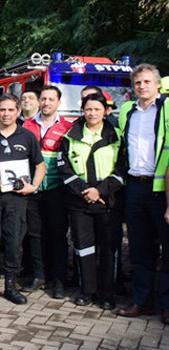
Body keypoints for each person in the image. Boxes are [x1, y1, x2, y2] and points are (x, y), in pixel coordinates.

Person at [0, 94, 45, 305]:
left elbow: (40, 166)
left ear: (18, 112)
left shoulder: (27, 136)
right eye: (3, 110)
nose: (6, 114)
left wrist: (34, 187)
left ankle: (11, 284)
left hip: (16, 199)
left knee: (14, 242)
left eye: (11, 110)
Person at [57, 93, 124, 310]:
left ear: (105, 111)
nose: (92, 113)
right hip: (80, 202)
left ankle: (107, 294)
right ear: (82, 111)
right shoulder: (70, 136)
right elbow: (64, 168)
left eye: (96, 109)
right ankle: (87, 291)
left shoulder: (118, 136)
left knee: (108, 249)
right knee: (83, 248)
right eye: (88, 109)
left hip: (108, 202)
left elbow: (122, 170)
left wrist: (100, 191)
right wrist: (86, 191)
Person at [116, 64, 169, 324]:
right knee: (139, 248)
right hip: (135, 186)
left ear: (157, 84)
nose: (142, 86)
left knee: (167, 248)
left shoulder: (167, 108)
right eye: (137, 82)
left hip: (163, 188)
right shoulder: (128, 111)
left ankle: (167, 305)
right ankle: (142, 301)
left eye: (147, 82)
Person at [22, 86, 73, 298]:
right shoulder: (26, 125)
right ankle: (39, 275)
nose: (46, 103)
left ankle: (59, 280)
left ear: (58, 103)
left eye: (51, 99)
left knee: (58, 235)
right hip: (32, 189)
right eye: (43, 99)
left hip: (57, 190)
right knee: (34, 235)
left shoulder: (69, 127)